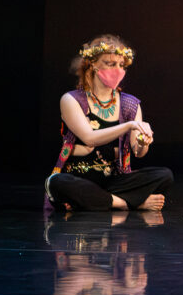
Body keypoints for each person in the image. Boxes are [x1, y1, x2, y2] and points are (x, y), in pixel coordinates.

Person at [46, 35, 172, 212]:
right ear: (92, 65)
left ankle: (101, 200)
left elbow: (138, 152)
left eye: (121, 65)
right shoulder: (72, 99)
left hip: (114, 182)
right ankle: (126, 203)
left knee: (164, 175)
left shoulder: (130, 104)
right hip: (79, 179)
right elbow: (89, 138)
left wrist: (143, 143)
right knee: (57, 182)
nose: (118, 70)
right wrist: (129, 126)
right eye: (110, 64)